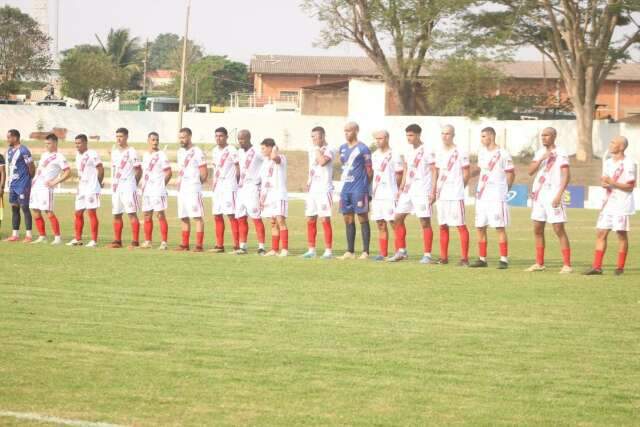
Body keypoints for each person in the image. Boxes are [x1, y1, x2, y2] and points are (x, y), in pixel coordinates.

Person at [584, 136, 635, 275]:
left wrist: (612, 182)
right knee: (601, 233)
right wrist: (605, 183)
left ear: (621, 147)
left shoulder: (629, 163)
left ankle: (620, 267)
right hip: (608, 203)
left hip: (621, 204)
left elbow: (630, 186)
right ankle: (597, 267)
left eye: (613, 143)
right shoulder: (607, 162)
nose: (610, 144)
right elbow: (604, 181)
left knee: (621, 234)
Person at [526, 127, 572, 273]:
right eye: (542, 135)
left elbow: (566, 175)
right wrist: (541, 158)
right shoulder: (540, 152)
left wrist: (559, 194)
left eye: (546, 135)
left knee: (558, 229)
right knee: (537, 228)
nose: (543, 137)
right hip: (539, 195)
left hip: (553, 193)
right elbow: (530, 171)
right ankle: (539, 263)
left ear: (554, 136)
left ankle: (567, 265)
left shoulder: (562, 152)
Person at [390, 124, 437, 264]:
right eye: (407, 135)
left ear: (418, 135)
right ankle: (402, 251)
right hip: (408, 191)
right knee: (397, 218)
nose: (408, 138)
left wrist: (433, 191)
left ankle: (427, 255)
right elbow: (406, 170)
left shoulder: (427, 150)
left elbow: (434, 171)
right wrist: (401, 187)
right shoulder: (408, 150)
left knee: (424, 222)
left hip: (422, 190)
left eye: (411, 135)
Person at [470, 127, 515, 269]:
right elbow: (481, 168)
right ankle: (482, 259)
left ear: (491, 136)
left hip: (496, 196)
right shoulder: (482, 152)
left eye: (483, 136)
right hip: (482, 195)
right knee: (480, 227)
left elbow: (511, 173)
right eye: (481, 136)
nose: (481, 139)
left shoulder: (503, 154)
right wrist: (472, 173)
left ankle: (503, 259)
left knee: (499, 227)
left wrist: (505, 189)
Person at [433, 125, 471, 266]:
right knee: (443, 225)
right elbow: (436, 173)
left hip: (455, 194)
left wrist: (460, 187)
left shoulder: (460, 151)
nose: (445, 136)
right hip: (442, 194)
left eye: (447, 134)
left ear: (453, 135)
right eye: (442, 133)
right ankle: (443, 257)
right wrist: (434, 190)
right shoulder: (439, 151)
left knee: (460, 225)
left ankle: (464, 258)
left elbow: (466, 173)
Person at [337, 122, 373, 260]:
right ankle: (350, 251)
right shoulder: (342, 148)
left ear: (356, 131)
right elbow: (344, 166)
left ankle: (365, 252)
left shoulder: (363, 149)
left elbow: (369, 171)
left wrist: (365, 187)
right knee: (347, 218)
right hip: (345, 189)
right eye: (345, 131)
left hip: (359, 189)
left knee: (362, 217)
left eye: (349, 131)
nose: (346, 133)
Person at [29, 134, 71, 245]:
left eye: (49, 143)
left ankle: (57, 238)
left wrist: (55, 182)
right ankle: (42, 236)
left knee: (48, 212)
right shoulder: (44, 155)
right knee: (35, 211)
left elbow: (68, 172)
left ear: (55, 143)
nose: (46, 146)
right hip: (36, 187)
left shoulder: (59, 157)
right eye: (45, 143)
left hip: (46, 188)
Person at [369, 130, 403, 261]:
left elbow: (399, 174)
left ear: (387, 138)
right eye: (376, 139)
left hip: (390, 194)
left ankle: (399, 251)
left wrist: (396, 190)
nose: (378, 141)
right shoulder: (374, 155)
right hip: (377, 195)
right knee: (380, 223)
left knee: (393, 222)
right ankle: (383, 253)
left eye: (381, 138)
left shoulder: (394, 155)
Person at [302, 126, 335, 259]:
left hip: (324, 189)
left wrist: (316, 149)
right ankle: (311, 250)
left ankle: (328, 251)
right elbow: (313, 167)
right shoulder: (312, 150)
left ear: (322, 136)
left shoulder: (329, 149)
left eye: (315, 136)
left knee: (324, 219)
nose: (313, 139)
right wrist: (309, 181)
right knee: (310, 218)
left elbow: (322, 162)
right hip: (313, 190)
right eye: (312, 137)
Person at [108, 128, 142, 249]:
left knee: (131, 213)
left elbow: (138, 170)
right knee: (116, 214)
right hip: (116, 187)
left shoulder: (132, 151)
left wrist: (133, 183)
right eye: (117, 136)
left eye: (121, 136)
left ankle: (135, 242)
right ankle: (117, 241)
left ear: (127, 137)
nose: (118, 138)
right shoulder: (114, 151)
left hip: (128, 186)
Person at [67, 134, 103, 247]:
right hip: (81, 188)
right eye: (76, 143)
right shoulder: (78, 155)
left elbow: (100, 169)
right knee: (78, 213)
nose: (77, 145)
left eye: (79, 143)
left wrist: (98, 183)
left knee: (91, 213)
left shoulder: (92, 154)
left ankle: (94, 241)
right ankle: (78, 239)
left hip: (92, 188)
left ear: (85, 143)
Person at [235, 129, 266, 255]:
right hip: (241, 188)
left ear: (249, 138)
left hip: (253, 187)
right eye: (239, 139)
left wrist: (261, 180)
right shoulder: (239, 152)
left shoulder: (257, 152)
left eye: (242, 139)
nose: (240, 141)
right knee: (241, 217)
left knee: (256, 217)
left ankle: (261, 246)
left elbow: (267, 162)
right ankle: (243, 246)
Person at [175, 128, 207, 251]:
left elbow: (204, 173)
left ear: (189, 137)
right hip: (182, 188)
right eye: (180, 137)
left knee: (197, 216)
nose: (181, 140)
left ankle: (199, 245)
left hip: (193, 189)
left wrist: (196, 184)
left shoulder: (197, 151)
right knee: (183, 216)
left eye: (183, 137)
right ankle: (184, 244)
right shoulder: (180, 152)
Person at [139, 132, 172, 250]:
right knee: (147, 215)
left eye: (157, 140)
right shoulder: (145, 155)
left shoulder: (161, 155)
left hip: (158, 190)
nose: (155, 142)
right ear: (148, 141)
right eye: (153, 140)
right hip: (147, 190)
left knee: (160, 215)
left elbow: (169, 172)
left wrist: (162, 186)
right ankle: (148, 241)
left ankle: (164, 242)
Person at [210, 127, 240, 253]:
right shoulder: (214, 151)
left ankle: (237, 245)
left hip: (229, 186)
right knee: (217, 215)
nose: (218, 138)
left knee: (232, 215)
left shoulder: (232, 150)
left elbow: (238, 167)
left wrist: (236, 183)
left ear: (226, 137)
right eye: (216, 136)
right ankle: (219, 245)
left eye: (221, 136)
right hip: (218, 187)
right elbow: (215, 168)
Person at [3, 129, 35, 242]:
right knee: (14, 208)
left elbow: (31, 166)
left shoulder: (24, 150)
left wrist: (28, 179)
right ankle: (15, 234)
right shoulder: (10, 150)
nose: (7, 140)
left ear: (15, 138)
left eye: (9, 137)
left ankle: (29, 235)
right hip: (13, 185)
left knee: (25, 208)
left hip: (23, 184)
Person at [259, 138, 289, 257]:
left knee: (280, 220)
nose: (262, 151)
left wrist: (275, 150)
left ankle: (285, 249)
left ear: (271, 147)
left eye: (264, 148)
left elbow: (275, 158)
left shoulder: (281, 157)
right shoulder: (264, 162)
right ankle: (274, 249)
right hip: (269, 196)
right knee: (272, 223)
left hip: (279, 194)